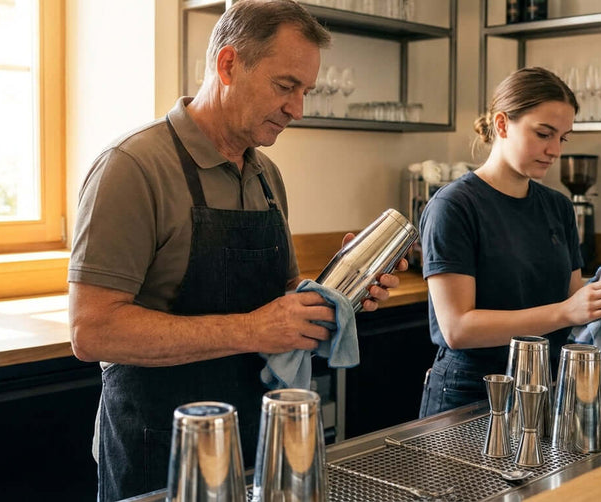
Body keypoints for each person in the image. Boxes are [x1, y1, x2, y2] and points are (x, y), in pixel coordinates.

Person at [67, 2, 405, 500]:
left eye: (305, 91)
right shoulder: (132, 168)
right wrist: (253, 329)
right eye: (285, 86)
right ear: (228, 65)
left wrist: (341, 292)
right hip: (159, 448)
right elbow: (91, 331)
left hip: (256, 441)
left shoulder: (267, 175)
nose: (299, 108)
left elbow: (281, 292)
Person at [418, 67, 601, 418]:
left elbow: (570, 309)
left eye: (563, 138)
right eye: (544, 134)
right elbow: (458, 329)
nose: (554, 150)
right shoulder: (453, 207)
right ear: (501, 125)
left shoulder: (557, 206)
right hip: (472, 393)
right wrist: (566, 311)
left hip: (544, 384)